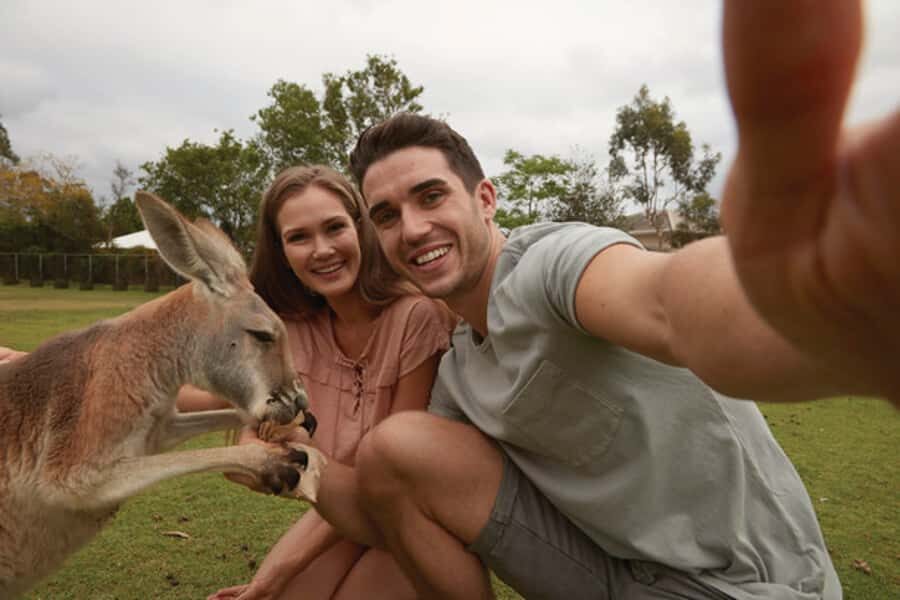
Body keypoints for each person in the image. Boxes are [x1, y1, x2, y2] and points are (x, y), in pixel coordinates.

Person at [281, 5, 900, 600]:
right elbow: (377, 509)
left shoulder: (550, 265)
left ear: (486, 200)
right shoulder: (461, 371)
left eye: (431, 196)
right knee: (397, 451)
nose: (412, 228)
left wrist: (795, 304)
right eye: (387, 215)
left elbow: (666, 302)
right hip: (603, 579)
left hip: (740, 585)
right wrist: (289, 458)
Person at [182, 165, 455, 600]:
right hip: (349, 521)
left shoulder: (415, 317)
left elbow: (382, 483)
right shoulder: (296, 329)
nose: (323, 249)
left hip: (417, 520)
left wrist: (273, 577)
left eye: (334, 227)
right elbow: (215, 397)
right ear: (281, 250)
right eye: (299, 237)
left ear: (360, 229)